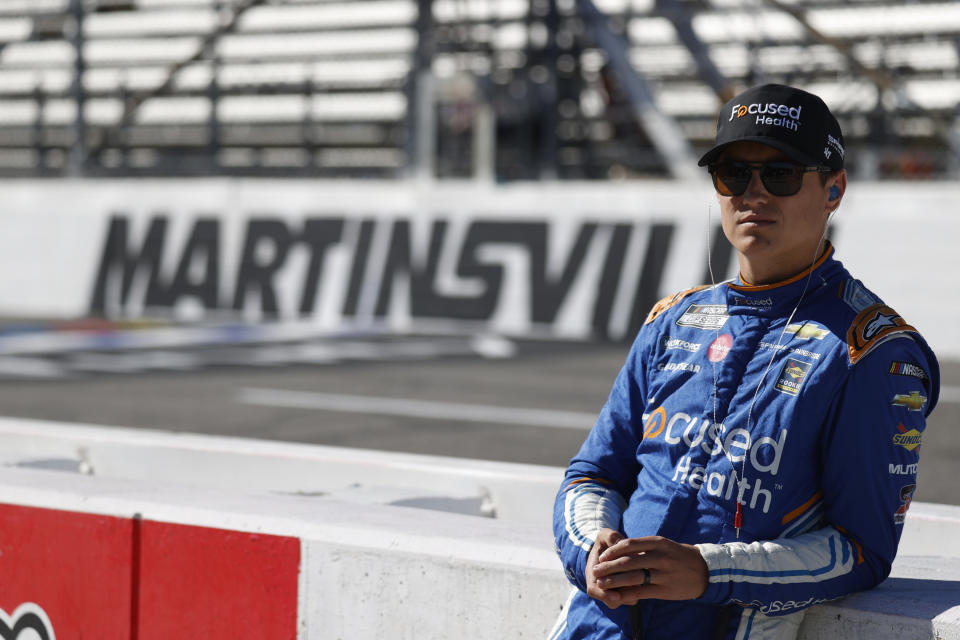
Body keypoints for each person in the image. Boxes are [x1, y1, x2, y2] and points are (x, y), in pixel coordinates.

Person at [550, 83, 940, 639]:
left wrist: (710, 571)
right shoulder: (672, 320)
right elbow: (593, 474)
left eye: (779, 174)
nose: (753, 193)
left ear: (834, 189)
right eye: (734, 174)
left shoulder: (869, 351)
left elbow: (862, 550)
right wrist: (591, 548)